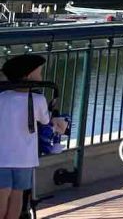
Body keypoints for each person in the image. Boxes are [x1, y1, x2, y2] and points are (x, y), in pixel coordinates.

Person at [0, 54, 64, 219]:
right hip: (24, 158)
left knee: (2, 195)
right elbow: (45, 120)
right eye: (39, 73)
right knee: (17, 196)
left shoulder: (2, 97)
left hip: (2, 157)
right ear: (28, 76)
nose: (41, 76)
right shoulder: (38, 99)